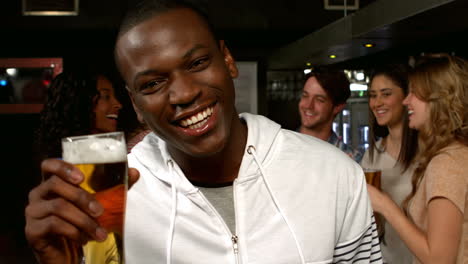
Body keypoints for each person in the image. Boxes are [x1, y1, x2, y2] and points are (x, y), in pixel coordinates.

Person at [25, 1, 383, 263]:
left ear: (228, 61)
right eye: (152, 84)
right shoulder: (113, 198)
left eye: (197, 64)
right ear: (135, 104)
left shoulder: (333, 174)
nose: (183, 94)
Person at [367, 53, 468, 263]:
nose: (406, 101)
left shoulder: (447, 162)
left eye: (414, 93)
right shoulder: (459, 152)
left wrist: (385, 205)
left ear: (439, 98)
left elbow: (439, 259)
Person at [33, 69, 126, 263]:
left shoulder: (118, 157)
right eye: (105, 97)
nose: (118, 104)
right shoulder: (57, 169)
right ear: (80, 102)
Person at [360, 64, 418, 263]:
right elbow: (372, 228)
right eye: (373, 95)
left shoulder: (429, 154)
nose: (377, 103)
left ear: (407, 97)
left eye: (386, 94)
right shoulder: (372, 156)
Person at [298, 69, 363, 162]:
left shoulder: (351, 160)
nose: (308, 105)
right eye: (305, 96)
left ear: (338, 107)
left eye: (319, 99)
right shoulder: (278, 147)